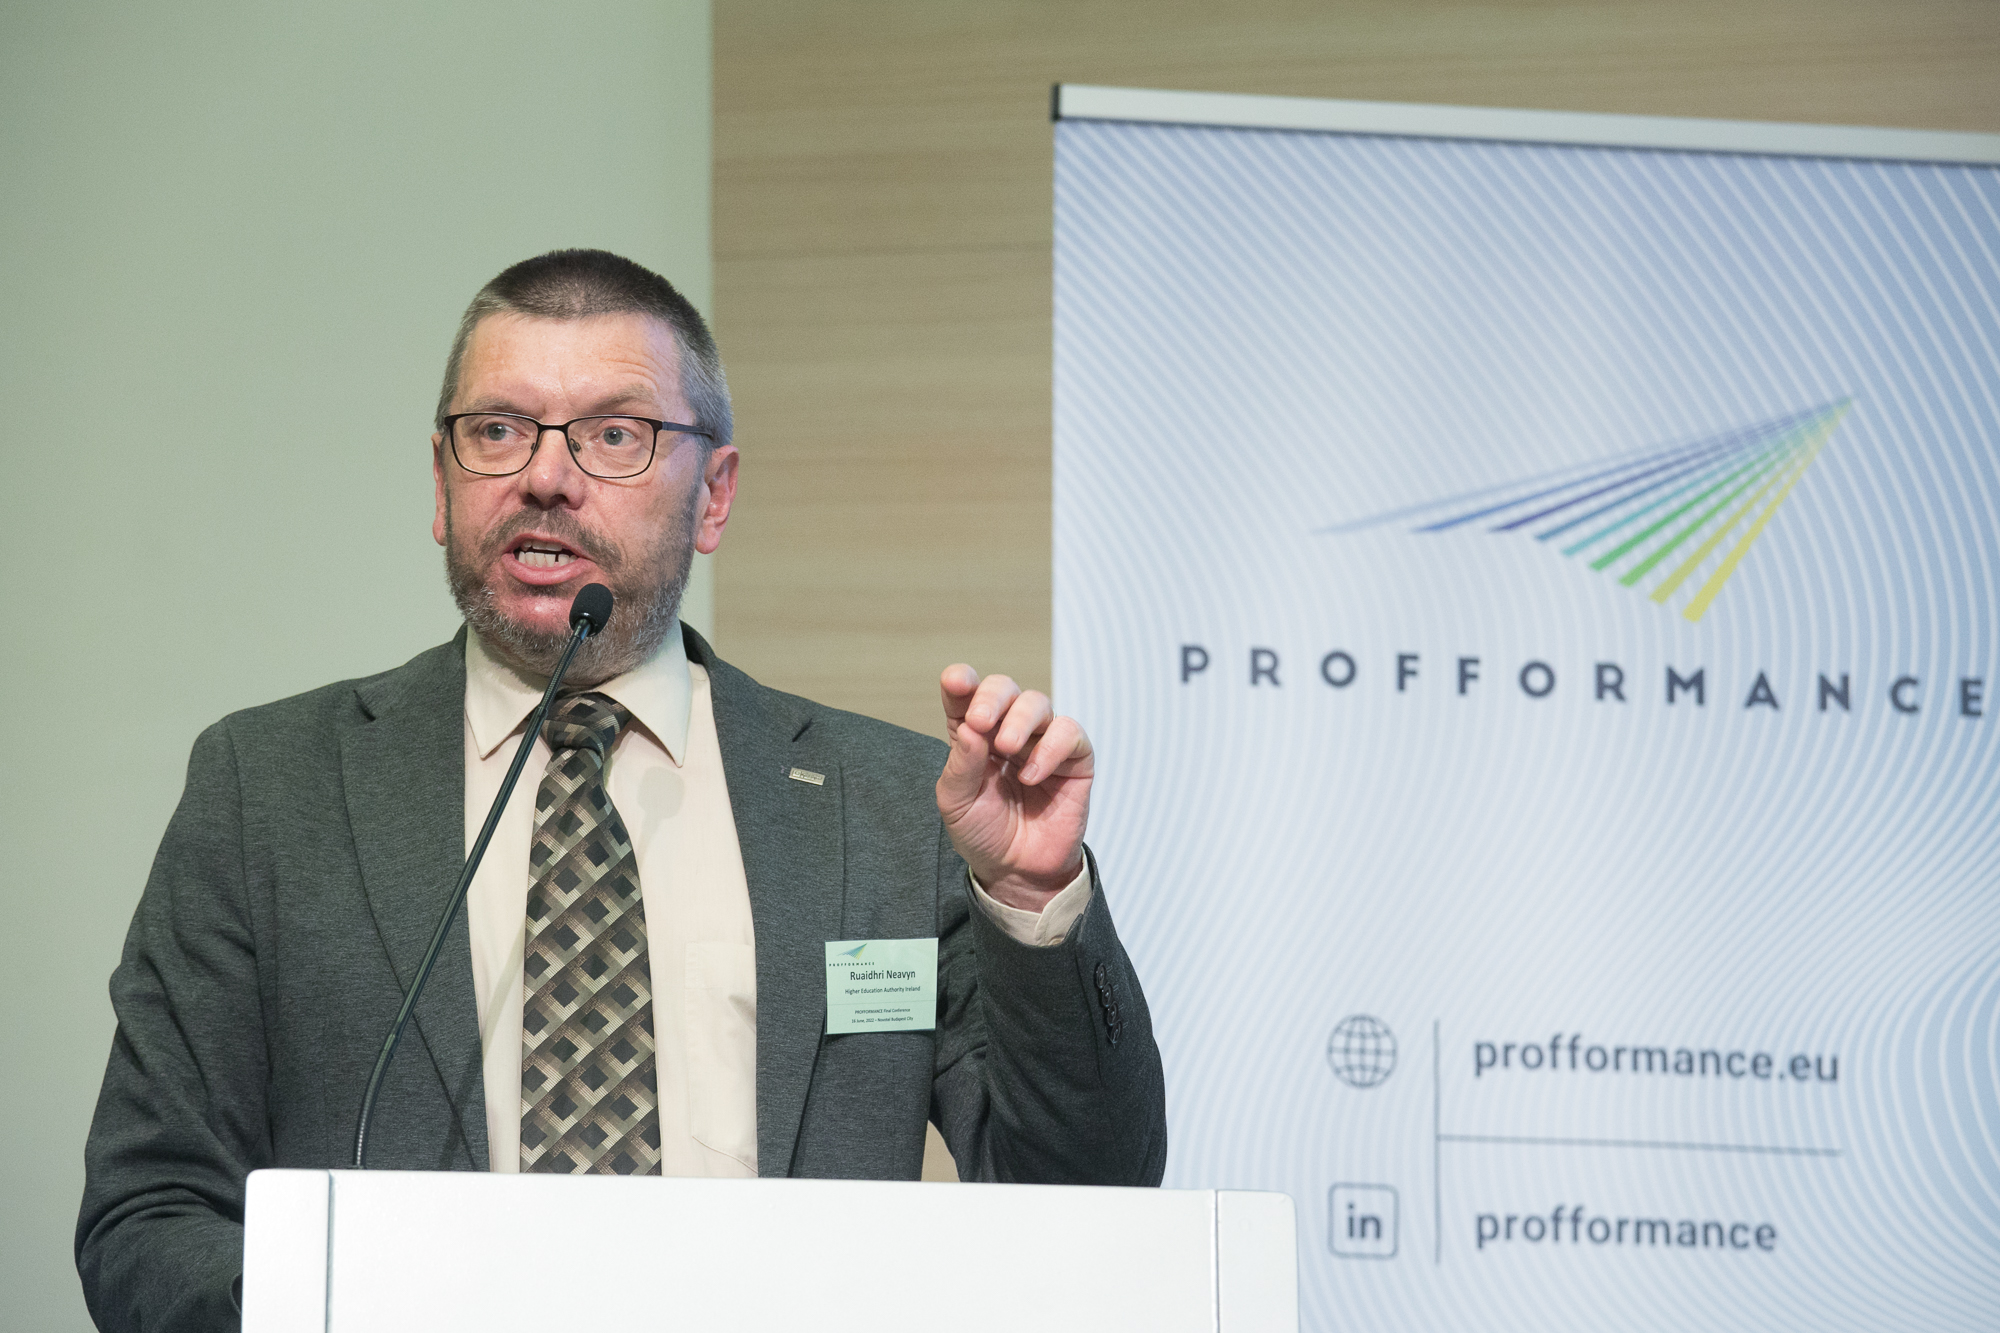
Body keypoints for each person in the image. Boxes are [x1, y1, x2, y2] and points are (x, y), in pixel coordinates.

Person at [75, 250, 1166, 1331]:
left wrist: (1034, 900)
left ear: (713, 496)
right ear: (442, 483)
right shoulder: (271, 790)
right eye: (497, 430)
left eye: (613, 436)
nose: (545, 477)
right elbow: (149, 1213)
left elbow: (1089, 1198)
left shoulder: (886, 812)